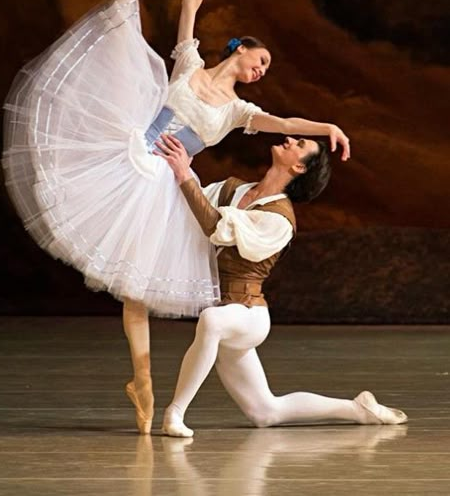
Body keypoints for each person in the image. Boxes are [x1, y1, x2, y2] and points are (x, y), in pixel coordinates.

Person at [2, 0, 351, 434]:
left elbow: (285, 121)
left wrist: (327, 126)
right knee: (125, 34)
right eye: (261, 59)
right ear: (239, 49)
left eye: (266, 69)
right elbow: (189, 7)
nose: (262, 69)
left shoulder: (237, 111)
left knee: (134, 287)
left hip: (161, 181)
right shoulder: (188, 65)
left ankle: (142, 385)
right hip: (130, 155)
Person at [156, 134, 407, 437]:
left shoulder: (280, 220)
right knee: (266, 412)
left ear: (300, 168)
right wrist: (168, 169)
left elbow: (215, 227)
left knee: (212, 320)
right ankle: (358, 409)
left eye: (299, 145)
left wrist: (185, 175)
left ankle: (175, 413)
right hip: (226, 314)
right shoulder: (235, 189)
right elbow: (189, 205)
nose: (289, 139)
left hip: (248, 316)